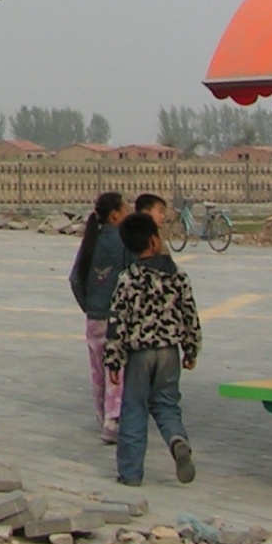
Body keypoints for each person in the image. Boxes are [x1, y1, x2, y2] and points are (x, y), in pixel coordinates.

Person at [104, 209, 200, 487]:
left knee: (134, 409)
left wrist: (113, 360)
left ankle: (131, 473)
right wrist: (191, 350)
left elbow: (116, 321)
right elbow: (190, 316)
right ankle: (176, 439)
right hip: (169, 351)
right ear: (154, 242)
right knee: (167, 404)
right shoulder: (178, 276)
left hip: (140, 352)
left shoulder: (128, 278)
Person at [69, 191, 127, 441]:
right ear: (115, 214)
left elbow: (75, 278)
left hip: (94, 316)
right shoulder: (123, 241)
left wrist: (89, 305)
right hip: (117, 317)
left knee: (98, 370)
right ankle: (113, 422)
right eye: (125, 209)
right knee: (117, 369)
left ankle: (101, 414)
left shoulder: (90, 241)